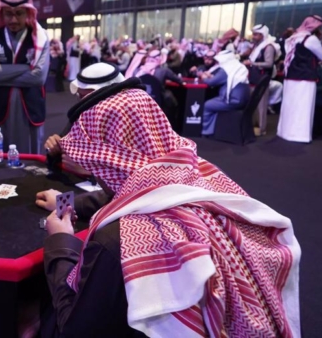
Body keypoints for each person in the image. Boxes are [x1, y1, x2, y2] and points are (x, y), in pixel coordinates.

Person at [36, 86, 300, 336]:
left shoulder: (118, 241)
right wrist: (70, 201)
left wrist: (60, 240)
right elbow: (133, 190)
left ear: (106, 160)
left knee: (29, 317)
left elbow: (75, 329)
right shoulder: (203, 176)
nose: (93, 171)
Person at [0, 0, 50, 154]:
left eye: (19, 13)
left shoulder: (40, 39)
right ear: (1, 14)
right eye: (8, 14)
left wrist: (1, 76)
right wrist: (26, 67)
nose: (13, 19)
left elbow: (39, 77)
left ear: (28, 13)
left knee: (28, 162)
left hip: (29, 110)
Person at [278, 15, 322, 143]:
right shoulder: (311, 39)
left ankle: (285, 132)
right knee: (302, 107)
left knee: (289, 105)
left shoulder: (292, 38)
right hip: (305, 78)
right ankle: (299, 135)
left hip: (290, 76)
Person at [200, 50, 250, 136]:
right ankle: (213, 130)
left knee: (207, 105)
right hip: (241, 99)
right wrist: (212, 77)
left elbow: (211, 82)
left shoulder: (226, 69)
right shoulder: (237, 66)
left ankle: (207, 132)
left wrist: (204, 77)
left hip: (232, 101)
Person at [244, 24, 280, 136]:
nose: (253, 37)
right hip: (253, 78)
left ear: (262, 35)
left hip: (262, 80)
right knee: (253, 104)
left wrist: (252, 63)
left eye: (256, 34)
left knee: (261, 105)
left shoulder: (268, 47)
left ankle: (261, 128)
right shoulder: (257, 46)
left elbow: (269, 64)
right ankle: (253, 126)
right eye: (253, 34)